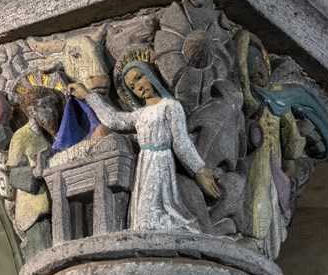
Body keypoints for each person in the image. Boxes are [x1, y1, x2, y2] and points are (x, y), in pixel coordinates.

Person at [68, 61, 220, 233]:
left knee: (156, 209)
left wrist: (199, 169)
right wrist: (88, 96)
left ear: (151, 75)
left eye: (140, 78)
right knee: (142, 214)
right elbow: (114, 120)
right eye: (132, 87)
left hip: (161, 160)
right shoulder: (139, 114)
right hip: (144, 162)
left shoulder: (170, 106)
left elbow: (181, 142)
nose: (139, 87)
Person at [7, 86, 64, 259]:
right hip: (35, 207)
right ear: (32, 111)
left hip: (55, 202)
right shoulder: (21, 136)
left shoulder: (49, 137)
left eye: (53, 105)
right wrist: (36, 171)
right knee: (45, 254)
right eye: (45, 106)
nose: (52, 112)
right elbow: (14, 175)